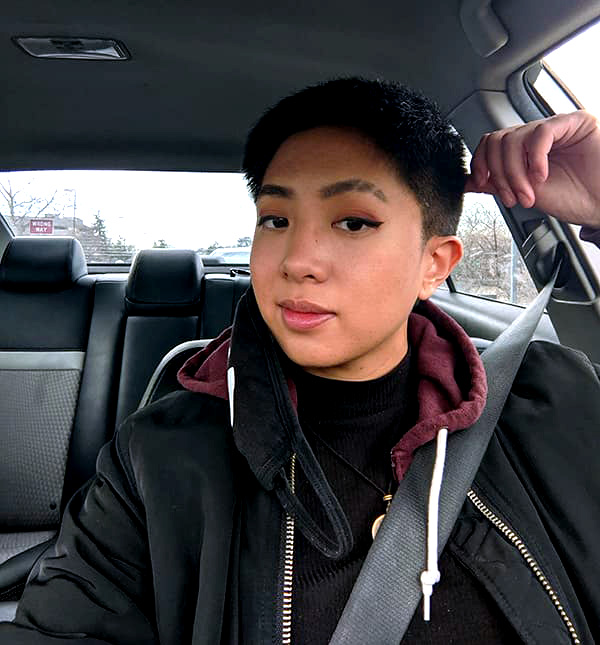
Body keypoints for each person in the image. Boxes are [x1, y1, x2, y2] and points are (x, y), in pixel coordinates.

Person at [1, 77, 600, 644]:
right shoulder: (160, 459)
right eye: (276, 219)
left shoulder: (550, 404)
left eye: (354, 222)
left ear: (436, 264)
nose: (298, 260)